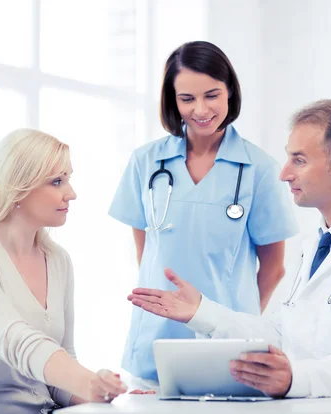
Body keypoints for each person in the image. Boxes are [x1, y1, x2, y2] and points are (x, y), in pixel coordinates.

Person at [127, 99, 331, 398]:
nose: (284, 173)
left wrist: (294, 379)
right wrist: (202, 312)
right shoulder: (315, 243)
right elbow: (282, 333)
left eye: (299, 160)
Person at [109, 41, 298, 381]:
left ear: (230, 93)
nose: (200, 109)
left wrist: (239, 320)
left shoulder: (259, 169)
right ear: (172, 100)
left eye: (212, 95)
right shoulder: (145, 162)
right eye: (187, 99)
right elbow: (149, 253)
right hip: (156, 337)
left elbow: (274, 267)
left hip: (226, 343)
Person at [0, 129, 128, 414]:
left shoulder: (58, 260)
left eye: (68, 179)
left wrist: (99, 393)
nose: (72, 193)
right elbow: (14, 340)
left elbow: (58, 372)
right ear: (17, 188)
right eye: (57, 181)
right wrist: (86, 381)